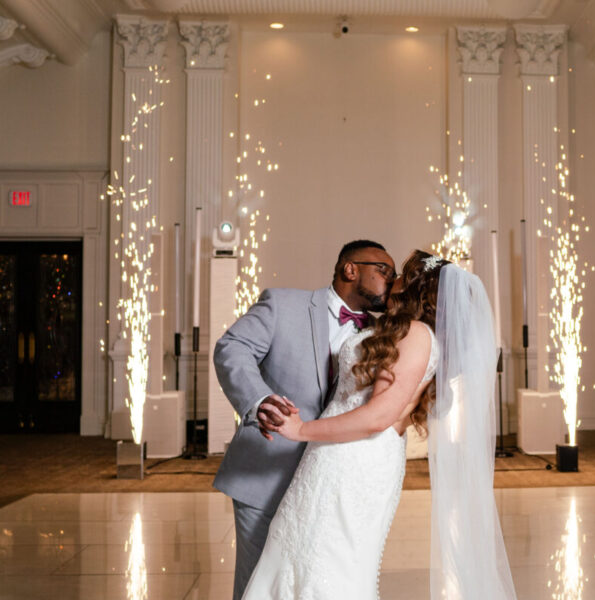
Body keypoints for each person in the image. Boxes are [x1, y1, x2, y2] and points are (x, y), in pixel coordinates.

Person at [241, 250, 517, 600]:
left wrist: (300, 430)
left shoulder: (417, 334)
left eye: (400, 273)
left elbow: (378, 416)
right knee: (304, 552)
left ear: (415, 287)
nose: (392, 279)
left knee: (328, 560)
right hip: (339, 456)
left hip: (353, 459)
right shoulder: (406, 332)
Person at [212, 239, 395, 600]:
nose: (391, 280)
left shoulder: (384, 334)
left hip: (328, 485)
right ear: (350, 269)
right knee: (258, 587)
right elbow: (231, 348)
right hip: (266, 473)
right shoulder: (282, 304)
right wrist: (258, 398)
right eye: (384, 270)